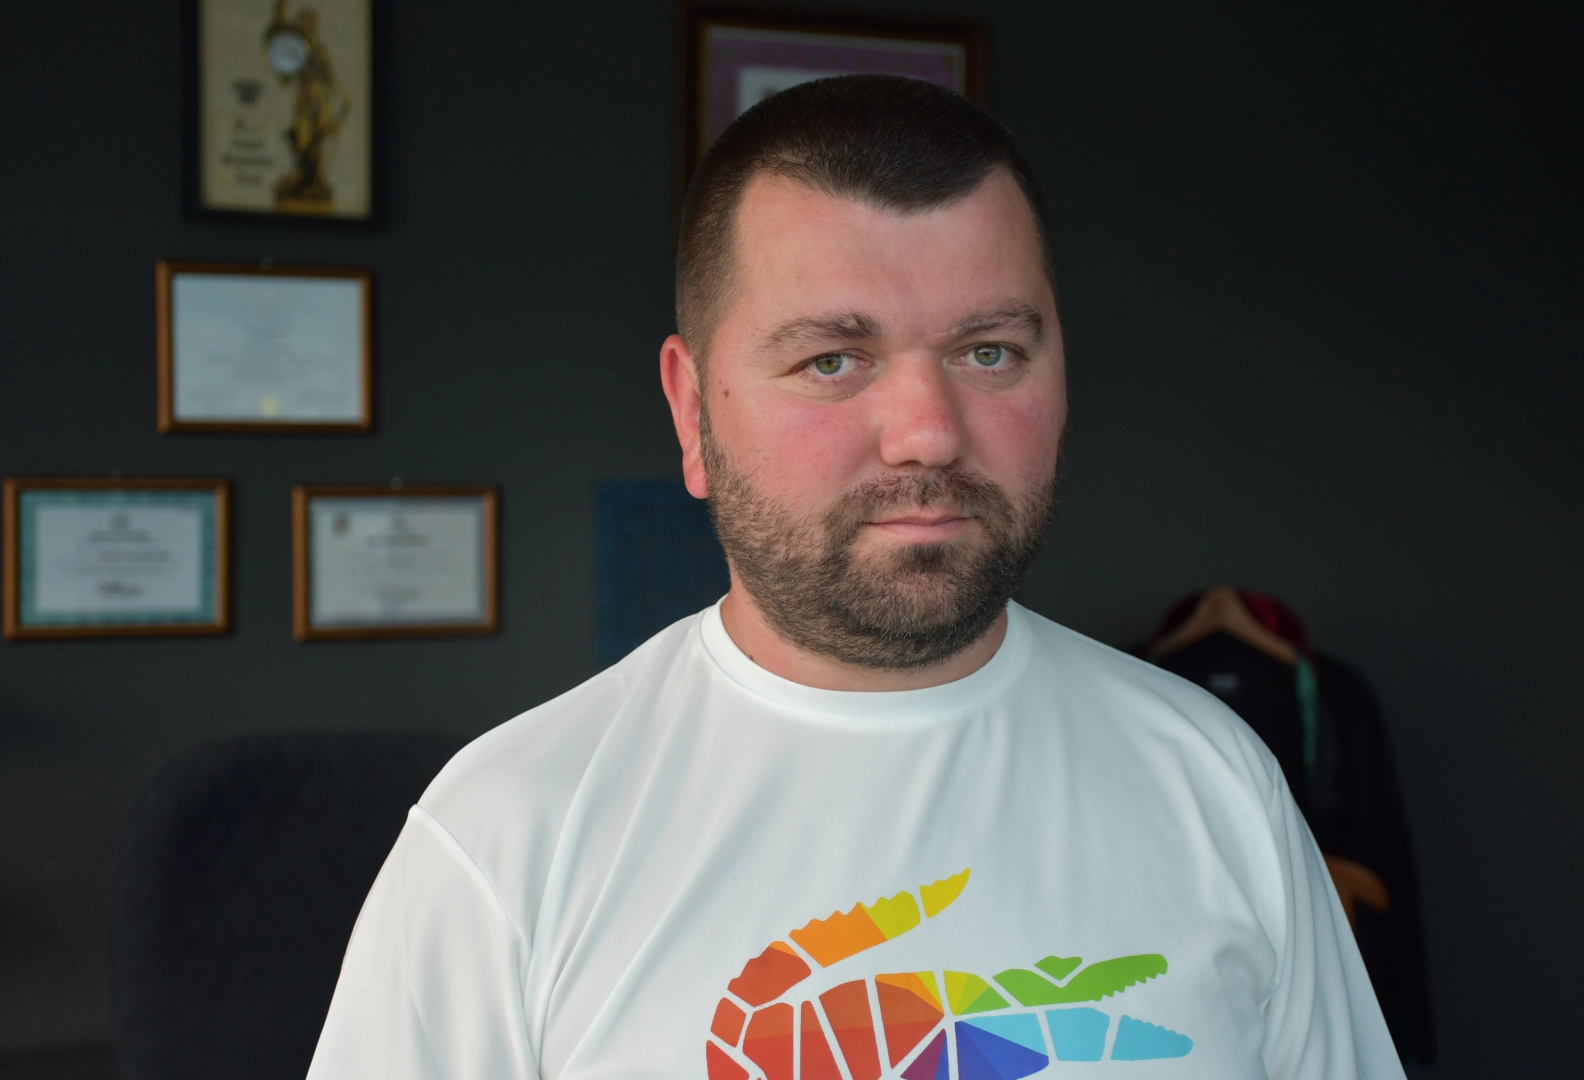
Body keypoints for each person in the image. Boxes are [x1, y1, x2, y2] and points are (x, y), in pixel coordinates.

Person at [307, 75, 1401, 1079]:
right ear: (691, 412)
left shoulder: (1215, 783)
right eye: (831, 360)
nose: (927, 433)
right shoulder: (507, 840)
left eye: (988, 351)